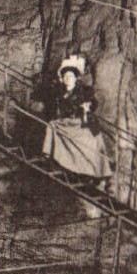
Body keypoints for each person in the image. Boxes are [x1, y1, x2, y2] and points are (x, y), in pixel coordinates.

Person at [41, 54, 111, 185]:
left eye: (71, 77)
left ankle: (89, 171)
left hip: (80, 122)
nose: (68, 79)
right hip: (66, 123)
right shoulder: (59, 93)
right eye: (66, 77)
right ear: (63, 79)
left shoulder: (84, 91)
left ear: (75, 79)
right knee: (52, 125)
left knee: (90, 140)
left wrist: (87, 106)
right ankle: (50, 155)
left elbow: (93, 103)